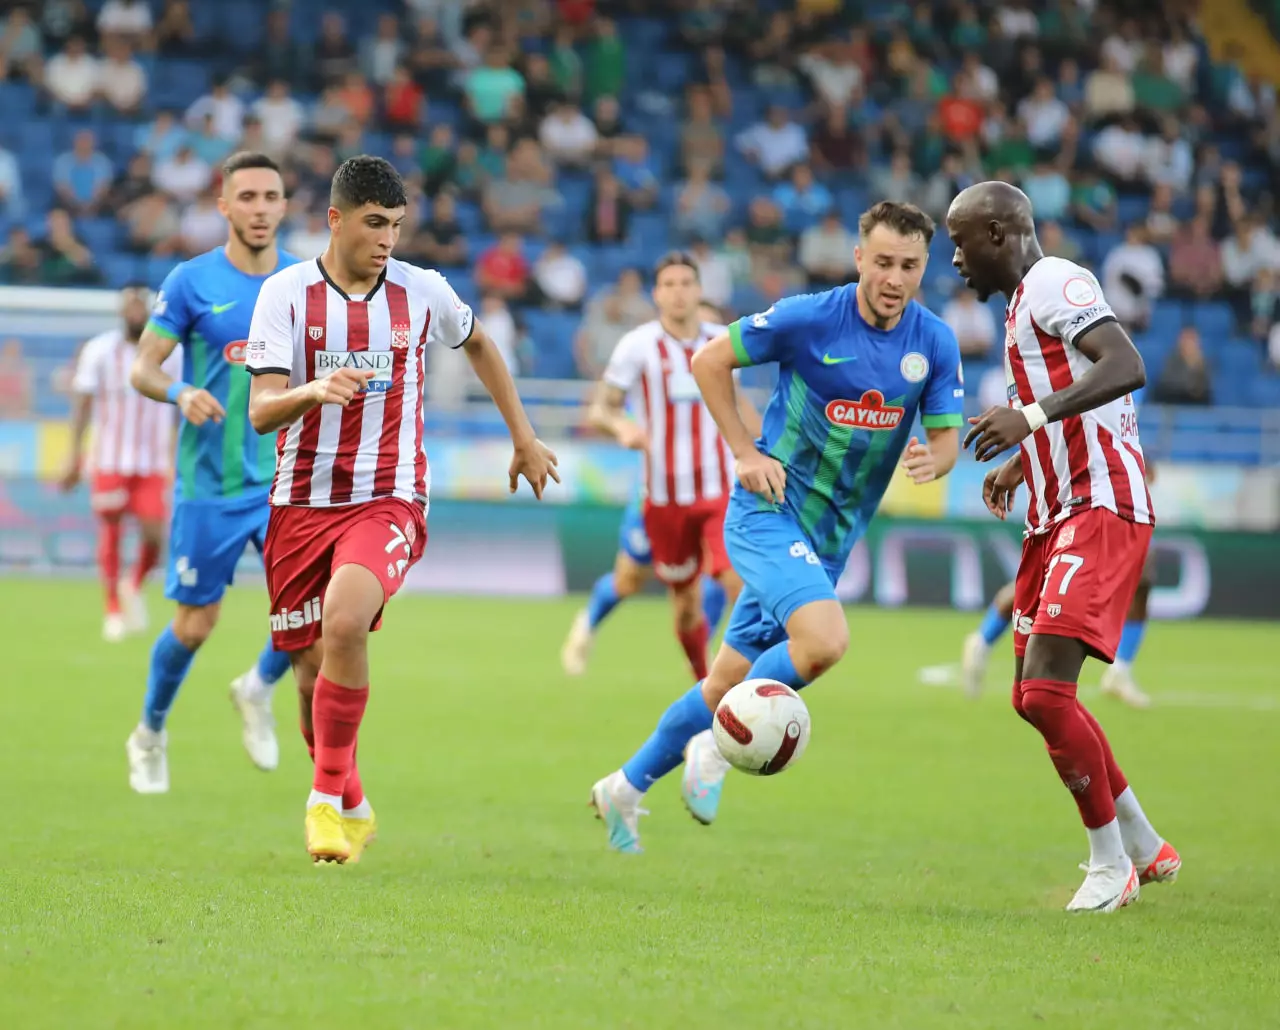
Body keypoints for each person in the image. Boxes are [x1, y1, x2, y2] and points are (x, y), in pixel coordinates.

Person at [589, 201, 964, 853]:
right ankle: (717, 743)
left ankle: (623, 787)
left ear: (924, 266)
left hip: (829, 541)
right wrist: (744, 451)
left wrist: (939, 459)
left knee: (721, 682)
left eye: (908, 266)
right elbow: (709, 361)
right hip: (767, 513)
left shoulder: (933, 341)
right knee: (824, 641)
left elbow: (947, 439)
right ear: (858, 258)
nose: (893, 278)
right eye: (882, 262)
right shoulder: (809, 317)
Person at [244, 155, 559, 864]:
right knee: (308, 675)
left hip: (388, 498)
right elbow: (262, 411)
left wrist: (523, 437)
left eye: (395, 224)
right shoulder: (285, 295)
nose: (388, 238)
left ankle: (322, 802)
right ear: (335, 220)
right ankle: (352, 801)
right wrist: (313, 390)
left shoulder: (422, 291)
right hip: (300, 503)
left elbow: (480, 344)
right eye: (374, 223)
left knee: (345, 620)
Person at [947, 180, 1179, 913]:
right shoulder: (1022, 304)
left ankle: (1111, 866)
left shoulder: (1053, 280)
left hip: (1098, 505)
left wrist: (1027, 417)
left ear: (996, 234)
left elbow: (1124, 364)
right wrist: (1024, 460)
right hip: (1053, 513)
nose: (954, 259)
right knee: (1030, 695)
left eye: (959, 242)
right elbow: (1079, 398)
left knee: (1048, 692)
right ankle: (1144, 842)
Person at [125, 152, 300, 794]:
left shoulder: (304, 282)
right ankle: (149, 733)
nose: (259, 208)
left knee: (311, 615)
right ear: (224, 207)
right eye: (246, 197)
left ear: (285, 206)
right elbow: (143, 367)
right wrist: (179, 393)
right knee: (196, 625)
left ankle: (257, 687)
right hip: (209, 489)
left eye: (270, 197)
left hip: (284, 485)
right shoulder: (192, 282)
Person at [576, 254, 754, 683]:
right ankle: (702, 680)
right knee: (685, 604)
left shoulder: (721, 342)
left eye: (686, 283)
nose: (678, 292)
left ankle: (746, 684)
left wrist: (761, 449)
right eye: (669, 284)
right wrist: (623, 427)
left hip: (718, 490)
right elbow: (601, 408)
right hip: (663, 497)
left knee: (739, 585)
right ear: (656, 294)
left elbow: (739, 405)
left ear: (699, 290)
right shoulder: (637, 345)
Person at [61, 285, 179, 642]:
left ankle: (133, 584)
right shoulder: (100, 350)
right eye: (129, 304)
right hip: (111, 459)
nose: (135, 310)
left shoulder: (171, 353)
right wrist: (74, 455)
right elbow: (82, 405)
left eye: (141, 304)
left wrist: (176, 457)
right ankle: (112, 609)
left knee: (156, 534)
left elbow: (179, 409)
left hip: (152, 461)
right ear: (120, 309)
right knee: (111, 530)